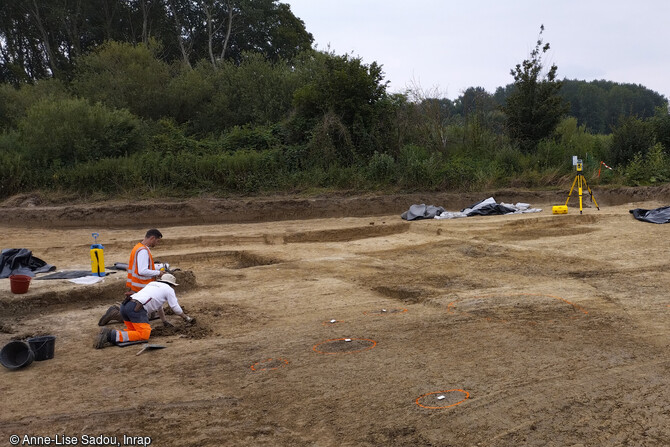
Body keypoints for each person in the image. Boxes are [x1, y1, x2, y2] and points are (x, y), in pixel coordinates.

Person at [94, 273, 193, 348]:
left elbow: (159, 308)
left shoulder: (153, 284)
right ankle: (110, 335)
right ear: (172, 284)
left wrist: (164, 321)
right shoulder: (169, 289)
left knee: (133, 331)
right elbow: (175, 307)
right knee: (144, 334)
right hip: (136, 309)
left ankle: (110, 334)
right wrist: (186, 318)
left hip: (125, 306)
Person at [98, 229, 167, 326]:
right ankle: (115, 313)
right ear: (152, 238)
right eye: (157, 240)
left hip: (137, 285)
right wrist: (158, 273)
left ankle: (119, 311)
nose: (157, 243)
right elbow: (142, 271)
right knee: (140, 315)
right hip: (141, 287)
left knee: (145, 312)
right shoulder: (143, 251)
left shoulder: (138, 247)